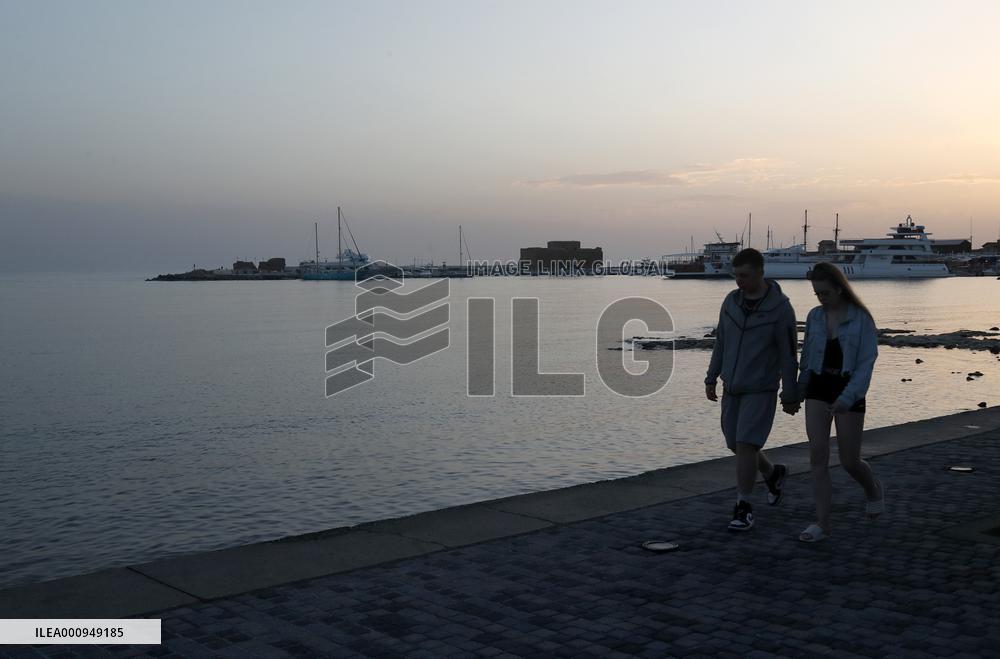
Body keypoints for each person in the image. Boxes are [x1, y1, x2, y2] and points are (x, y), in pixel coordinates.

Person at [706, 248, 800, 532]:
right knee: (736, 444)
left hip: (761, 388)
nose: (739, 282)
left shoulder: (781, 309)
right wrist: (711, 377)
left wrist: (790, 392)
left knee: (747, 443)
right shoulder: (730, 302)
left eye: (744, 276)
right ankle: (772, 474)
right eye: (736, 276)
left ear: (761, 272)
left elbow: (788, 354)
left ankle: (743, 506)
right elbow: (721, 342)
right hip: (731, 387)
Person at [797, 262, 884, 543]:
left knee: (849, 460)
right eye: (817, 294)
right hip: (818, 388)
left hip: (849, 389)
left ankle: (872, 489)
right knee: (817, 456)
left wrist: (848, 398)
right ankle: (823, 523)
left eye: (825, 293)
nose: (821, 299)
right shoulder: (814, 317)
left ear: (839, 288)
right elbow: (807, 357)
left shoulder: (861, 319)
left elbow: (866, 364)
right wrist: (798, 390)